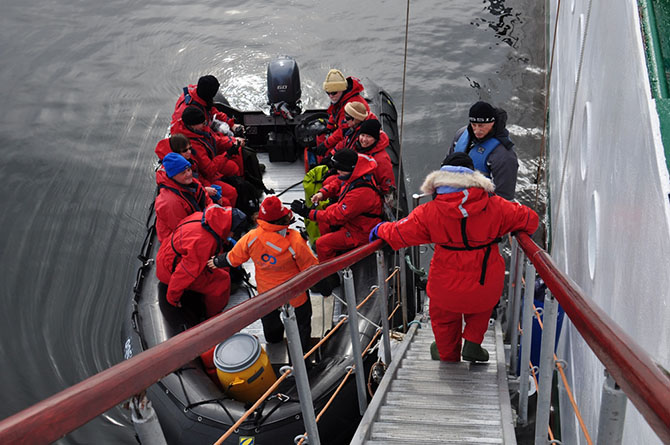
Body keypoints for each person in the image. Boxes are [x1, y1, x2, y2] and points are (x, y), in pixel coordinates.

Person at [369, 152, 538, 362]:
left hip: (444, 285)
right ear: (475, 178)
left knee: (444, 319)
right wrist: (516, 230)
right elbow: (530, 219)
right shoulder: (497, 207)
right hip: (485, 280)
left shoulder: (428, 212)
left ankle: (447, 354)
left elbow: (399, 233)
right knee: (481, 309)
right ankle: (473, 344)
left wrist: (379, 229)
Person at [208, 196, 318, 350]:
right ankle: (302, 354)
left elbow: (234, 258)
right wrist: (324, 287)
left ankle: (274, 344)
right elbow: (311, 268)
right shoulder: (295, 241)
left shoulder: (251, 238)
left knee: (270, 321)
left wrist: (217, 261)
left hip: (267, 293)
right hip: (295, 293)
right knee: (302, 324)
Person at [156, 204, 247, 318]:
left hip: (167, 257)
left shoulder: (201, 218)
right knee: (222, 282)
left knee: (223, 267)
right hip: (169, 271)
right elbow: (184, 273)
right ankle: (213, 317)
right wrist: (173, 298)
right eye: (234, 233)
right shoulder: (204, 242)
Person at [292, 149, 383, 261]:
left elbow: (336, 217)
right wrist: (322, 193)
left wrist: (307, 213)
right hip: (355, 221)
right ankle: (335, 248)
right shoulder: (356, 173)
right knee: (326, 215)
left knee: (322, 244)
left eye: (340, 169)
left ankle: (330, 272)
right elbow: (339, 182)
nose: (337, 171)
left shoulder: (361, 193)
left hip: (361, 231)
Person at [443, 101, 518, 200]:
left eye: (481, 126)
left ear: (492, 123)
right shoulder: (461, 134)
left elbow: (504, 197)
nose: (477, 130)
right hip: (455, 197)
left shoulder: (504, 155)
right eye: (474, 125)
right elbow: (446, 165)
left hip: (481, 205)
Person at [155, 133, 237, 207]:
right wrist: (205, 190)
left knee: (231, 192)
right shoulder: (174, 168)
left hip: (202, 187)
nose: (189, 152)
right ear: (176, 152)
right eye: (185, 150)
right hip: (195, 196)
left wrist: (207, 188)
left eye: (190, 148)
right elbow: (186, 187)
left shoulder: (189, 159)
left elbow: (197, 178)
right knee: (226, 200)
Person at [154, 152, 213, 243]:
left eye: (189, 170)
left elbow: (206, 199)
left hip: (197, 221)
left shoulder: (191, 183)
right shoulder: (169, 202)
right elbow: (182, 230)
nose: (188, 174)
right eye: (183, 173)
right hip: (177, 240)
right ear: (173, 176)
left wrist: (213, 215)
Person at [312, 69, 370, 160]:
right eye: (328, 93)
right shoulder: (340, 99)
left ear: (342, 89)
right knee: (320, 137)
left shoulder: (350, 108)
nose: (331, 96)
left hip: (353, 138)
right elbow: (333, 112)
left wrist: (329, 149)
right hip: (343, 132)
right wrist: (328, 128)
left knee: (326, 152)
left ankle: (323, 165)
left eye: (334, 93)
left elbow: (344, 135)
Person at [171, 74, 241, 134]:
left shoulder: (196, 94)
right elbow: (207, 136)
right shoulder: (193, 113)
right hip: (188, 135)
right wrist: (232, 141)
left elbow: (212, 110)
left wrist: (231, 124)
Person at [353, 118, 395, 195]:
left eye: (369, 136)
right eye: (362, 135)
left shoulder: (381, 159)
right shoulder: (359, 148)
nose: (364, 139)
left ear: (375, 139)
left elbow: (387, 186)